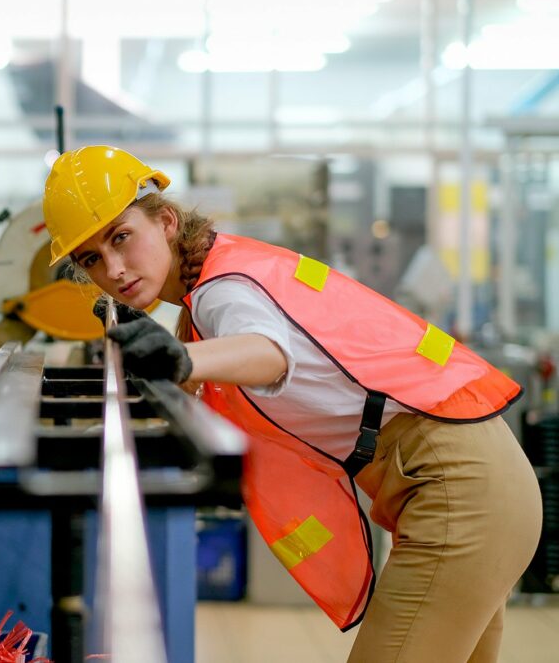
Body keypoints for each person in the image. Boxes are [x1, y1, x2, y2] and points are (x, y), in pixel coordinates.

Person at [41, 145, 543, 662]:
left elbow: (268, 353)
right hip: (470, 484)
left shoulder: (223, 288)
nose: (115, 268)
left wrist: (182, 359)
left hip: (458, 491)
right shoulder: (206, 290)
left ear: (165, 220)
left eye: (121, 237)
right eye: (92, 259)